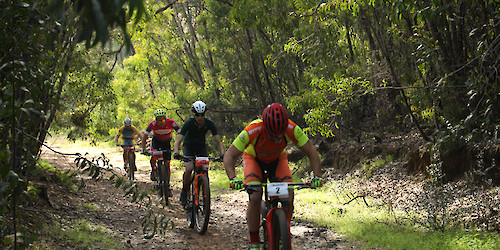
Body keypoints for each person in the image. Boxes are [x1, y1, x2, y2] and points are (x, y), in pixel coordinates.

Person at [222, 103, 324, 250]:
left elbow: (312, 152)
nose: (276, 138)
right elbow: (229, 155)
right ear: (265, 126)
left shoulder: (292, 128)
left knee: (288, 194)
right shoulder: (253, 129)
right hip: (254, 159)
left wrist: (317, 176)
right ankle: (254, 241)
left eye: (279, 134)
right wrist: (233, 178)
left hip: (277, 160)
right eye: (271, 134)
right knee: (256, 196)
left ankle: (284, 233)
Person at [173, 101, 225, 207]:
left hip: (201, 146)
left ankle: (204, 191)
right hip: (188, 146)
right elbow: (178, 141)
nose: (200, 118)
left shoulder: (209, 123)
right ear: (193, 115)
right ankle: (185, 190)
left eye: (202, 115)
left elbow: (219, 141)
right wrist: (176, 152)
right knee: (189, 168)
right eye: (197, 115)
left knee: (204, 168)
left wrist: (223, 154)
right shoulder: (189, 123)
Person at [141, 109, 180, 188]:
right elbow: (145, 136)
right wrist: (144, 148)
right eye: (159, 120)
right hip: (156, 142)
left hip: (167, 143)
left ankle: (167, 184)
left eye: (163, 119)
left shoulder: (171, 122)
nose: (161, 122)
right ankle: (153, 169)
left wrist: (178, 146)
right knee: (154, 156)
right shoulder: (152, 124)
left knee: (168, 163)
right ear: (156, 120)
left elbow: (180, 133)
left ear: (165, 118)